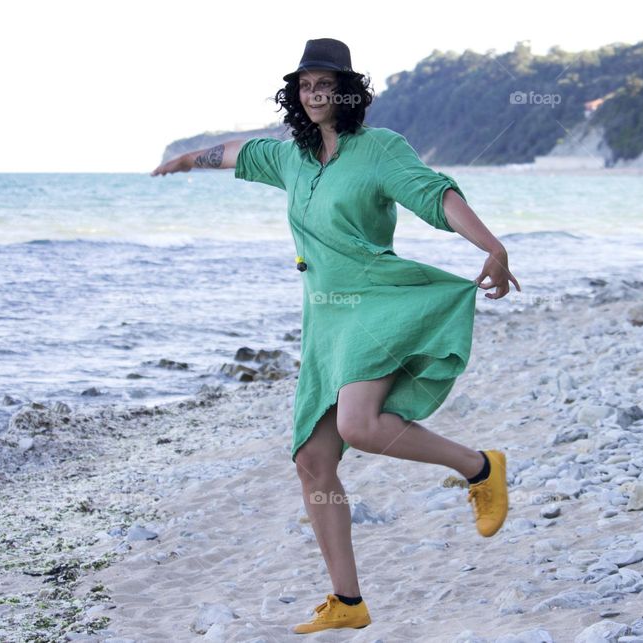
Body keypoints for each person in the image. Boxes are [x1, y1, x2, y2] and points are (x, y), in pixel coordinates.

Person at [152, 37, 520, 635]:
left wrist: (492, 246)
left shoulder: (379, 149)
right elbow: (236, 154)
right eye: (305, 85)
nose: (315, 93)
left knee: (357, 425)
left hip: (374, 302)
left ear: (348, 91)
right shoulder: (290, 157)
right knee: (313, 459)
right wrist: (184, 159)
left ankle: (479, 467)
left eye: (327, 83)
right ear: (295, 94)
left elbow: (436, 194)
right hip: (323, 319)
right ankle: (347, 601)